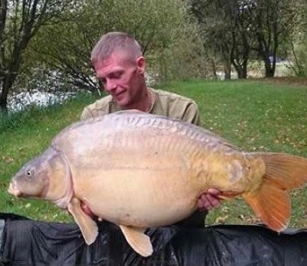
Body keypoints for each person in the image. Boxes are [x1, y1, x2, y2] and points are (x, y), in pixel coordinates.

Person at [80, 31, 222, 226]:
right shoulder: (93, 118)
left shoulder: (181, 110)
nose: (110, 86)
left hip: (175, 224)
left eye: (116, 75)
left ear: (140, 65)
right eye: (103, 80)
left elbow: (195, 181)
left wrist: (203, 198)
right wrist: (85, 207)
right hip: (117, 227)